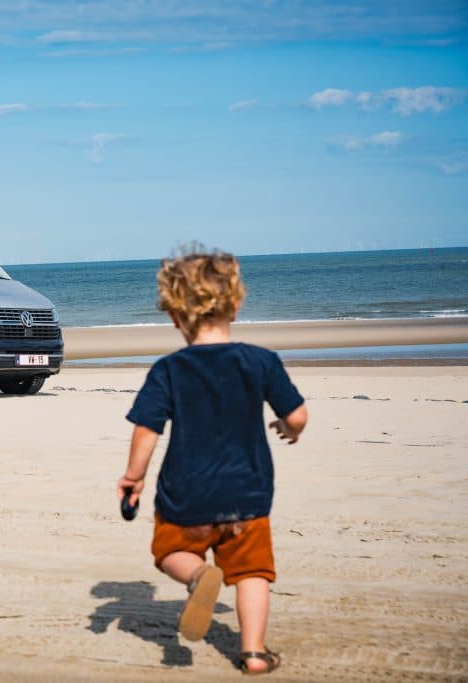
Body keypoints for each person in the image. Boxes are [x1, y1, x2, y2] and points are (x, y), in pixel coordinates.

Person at [117, 246, 308, 675]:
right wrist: (289, 429)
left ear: (173, 316)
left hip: (186, 493)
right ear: (236, 306)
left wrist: (133, 477)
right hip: (248, 493)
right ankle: (255, 653)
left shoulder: (169, 370)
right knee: (253, 573)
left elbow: (147, 429)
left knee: (170, 551)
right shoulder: (261, 361)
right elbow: (297, 415)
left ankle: (198, 577)